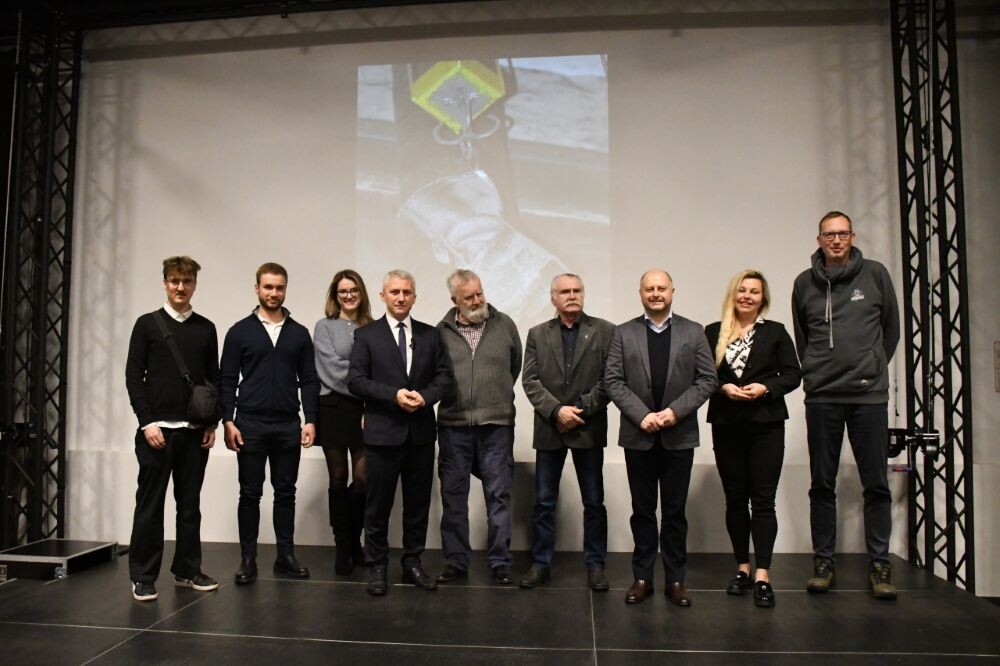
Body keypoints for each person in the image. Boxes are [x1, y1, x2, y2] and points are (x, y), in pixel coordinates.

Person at [792, 211, 900, 600]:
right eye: (829, 235)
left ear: (852, 237)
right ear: (819, 239)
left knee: (876, 484)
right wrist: (816, 370)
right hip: (822, 396)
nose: (836, 240)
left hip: (868, 397)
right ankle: (823, 563)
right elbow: (802, 337)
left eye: (842, 234)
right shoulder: (803, 283)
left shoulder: (875, 274)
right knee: (822, 483)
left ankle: (880, 564)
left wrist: (872, 367)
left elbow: (891, 330)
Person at [603, 269, 716, 607]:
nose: (655, 293)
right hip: (638, 436)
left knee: (675, 512)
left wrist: (673, 413)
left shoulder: (693, 331)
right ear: (640, 293)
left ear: (672, 292)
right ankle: (642, 578)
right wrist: (643, 416)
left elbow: (707, 379)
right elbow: (613, 381)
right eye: (649, 288)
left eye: (661, 288)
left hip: (678, 436)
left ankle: (676, 580)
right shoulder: (622, 333)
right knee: (642, 511)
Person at [347, 269, 453, 596]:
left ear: (415, 297)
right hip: (382, 435)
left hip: (420, 435)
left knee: (417, 505)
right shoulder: (366, 335)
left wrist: (426, 397)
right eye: (394, 292)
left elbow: (444, 378)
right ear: (382, 296)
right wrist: (393, 395)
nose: (401, 297)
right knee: (377, 506)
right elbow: (356, 381)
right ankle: (377, 566)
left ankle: (412, 563)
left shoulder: (431, 335)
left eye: (407, 292)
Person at [125, 256, 220, 602]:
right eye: (174, 281)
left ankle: (187, 570)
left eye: (187, 281)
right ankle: (143, 576)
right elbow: (133, 376)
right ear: (165, 283)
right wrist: (147, 422)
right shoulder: (147, 325)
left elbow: (213, 378)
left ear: (195, 284)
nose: (181, 287)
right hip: (157, 432)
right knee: (150, 506)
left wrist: (212, 422)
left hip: (194, 432)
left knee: (190, 505)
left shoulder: (206, 328)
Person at [705, 269, 801, 608]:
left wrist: (766, 387)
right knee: (735, 499)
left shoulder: (775, 332)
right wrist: (723, 388)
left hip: (766, 426)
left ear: (763, 299)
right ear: (733, 295)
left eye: (754, 292)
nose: (747, 296)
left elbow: (793, 374)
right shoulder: (713, 332)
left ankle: (763, 574)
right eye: (742, 290)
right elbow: (701, 376)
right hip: (727, 424)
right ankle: (742, 569)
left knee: (763, 501)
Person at [220, 262, 319, 585]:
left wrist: (311, 420)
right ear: (257, 289)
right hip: (249, 424)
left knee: (285, 492)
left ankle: (285, 556)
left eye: (279, 287)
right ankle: (248, 559)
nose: (273, 293)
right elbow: (227, 379)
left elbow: (309, 379)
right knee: (250, 494)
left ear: (285, 289)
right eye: (268, 287)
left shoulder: (299, 333)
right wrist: (227, 420)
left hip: (287, 425)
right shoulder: (239, 332)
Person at [518, 273, 615, 591]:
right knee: (544, 502)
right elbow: (530, 380)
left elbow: (610, 379)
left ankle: (596, 565)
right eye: (565, 291)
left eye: (577, 290)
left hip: (588, 426)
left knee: (594, 502)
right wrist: (557, 410)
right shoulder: (537, 333)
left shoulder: (605, 331)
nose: (572, 295)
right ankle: (541, 564)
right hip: (550, 426)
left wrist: (578, 410)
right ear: (553, 298)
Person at [435, 269, 522, 585]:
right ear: (454, 300)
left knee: (498, 495)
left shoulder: (505, 325)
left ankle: (499, 561)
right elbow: (435, 374)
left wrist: (494, 399)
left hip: (496, 425)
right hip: (453, 425)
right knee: (453, 496)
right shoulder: (441, 332)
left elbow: (514, 367)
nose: (477, 300)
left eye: (479, 293)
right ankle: (456, 561)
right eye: (469, 297)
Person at [313, 269, 372, 575]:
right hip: (333, 408)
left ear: (361, 293)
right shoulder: (324, 326)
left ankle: (354, 538)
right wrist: (364, 379)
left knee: (363, 479)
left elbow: (379, 370)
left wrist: (368, 392)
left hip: (365, 409)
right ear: (335, 296)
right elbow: (331, 370)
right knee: (338, 476)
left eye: (353, 290)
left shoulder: (373, 328)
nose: (348, 296)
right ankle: (342, 544)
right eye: (342, 291)